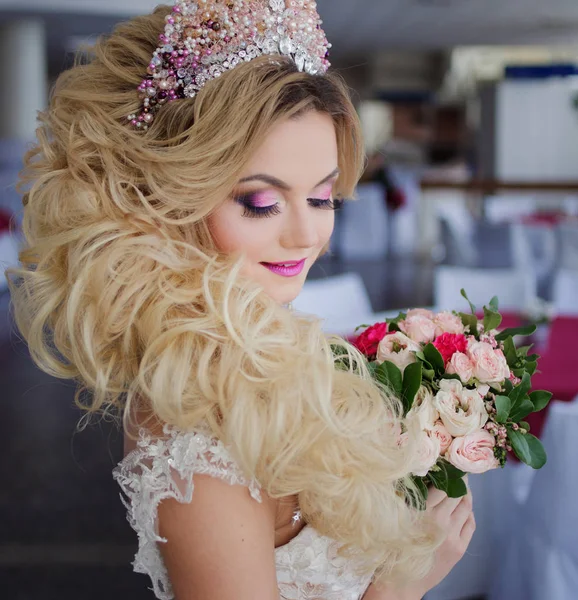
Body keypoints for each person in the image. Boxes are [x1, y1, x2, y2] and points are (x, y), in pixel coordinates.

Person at [6, 1, 476, 598]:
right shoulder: (197, 439)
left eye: (323, 197)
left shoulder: (260, 352)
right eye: (261, 202)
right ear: (171, 199)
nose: (306, 236)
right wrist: (400, 584)